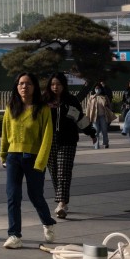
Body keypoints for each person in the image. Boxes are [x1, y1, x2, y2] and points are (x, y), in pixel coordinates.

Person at [0, 72, 56, 250]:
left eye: (28, 83)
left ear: (35, 87)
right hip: (13, 157)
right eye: (21, 83)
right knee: (13, 196)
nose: (24, 87)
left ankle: (48, 222)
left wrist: (41, 161)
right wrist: (3, 155)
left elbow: (47, 137)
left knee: (35, 195)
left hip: (34, 158)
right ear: (16, 87)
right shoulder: (11, 107)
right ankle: (14, 235)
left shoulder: (43, 109)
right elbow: (5, 132)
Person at [42, 72, 95, 220]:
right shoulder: (45, 100)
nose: (55, 87)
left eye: (58, 84)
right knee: (54, 171)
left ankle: (61, 203)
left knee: (63, 172)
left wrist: (91, 132)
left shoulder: (71, 101)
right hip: (49, 141)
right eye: (53, 84)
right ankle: (62, 200)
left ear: (64, 85)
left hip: (68, 141)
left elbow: (80, 118)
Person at [84, 82, 115, 150]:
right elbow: (88, 108)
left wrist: (110, 113)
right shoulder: (91, 97)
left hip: (103, 116)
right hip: (94, 116)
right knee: (96, 131)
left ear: (101, 89)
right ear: (94, 89)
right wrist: (87, 117)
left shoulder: (104, 97)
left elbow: (109, 106)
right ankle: (96, 145)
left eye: (99, 88)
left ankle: (106, 143)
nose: (97, 90)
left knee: (104, 130)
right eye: (96, 88)